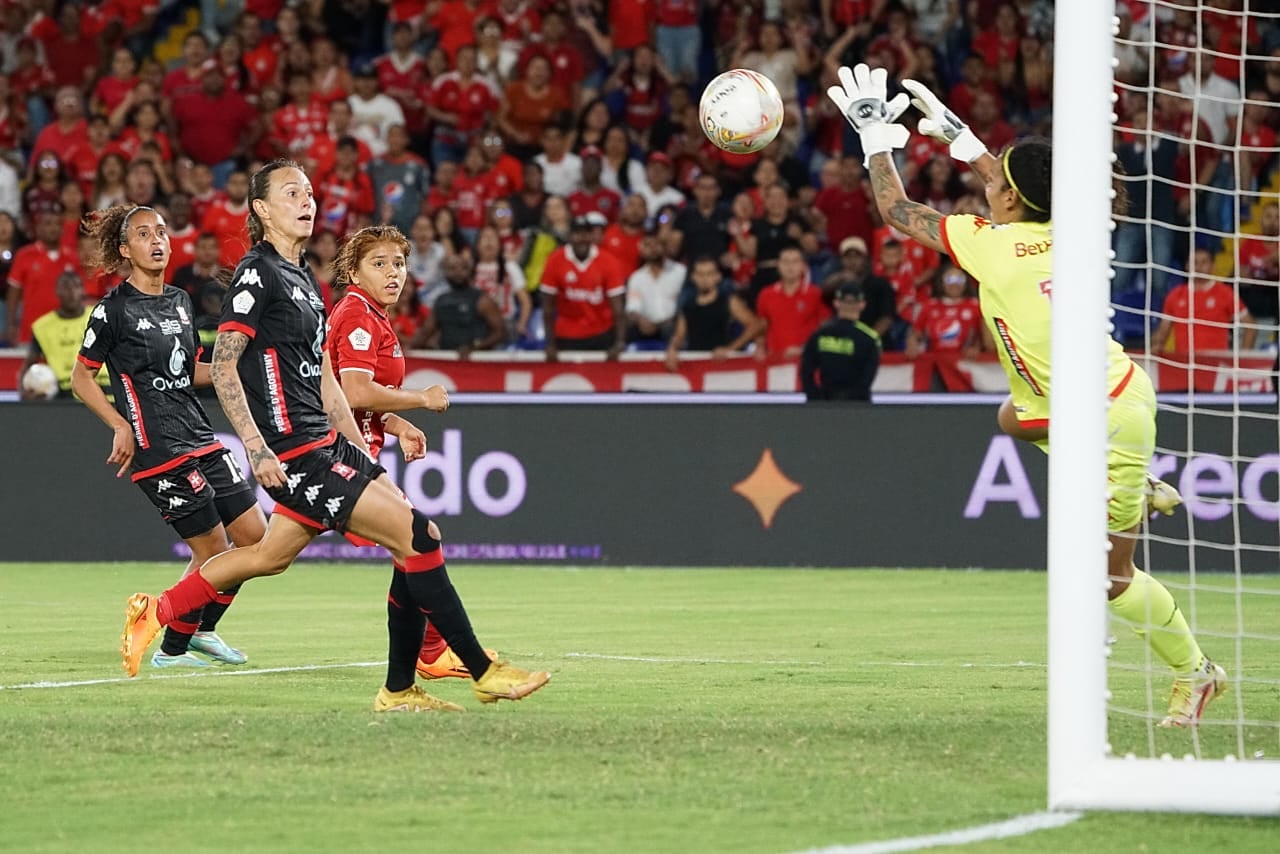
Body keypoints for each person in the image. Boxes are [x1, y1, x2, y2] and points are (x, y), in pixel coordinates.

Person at [828, 64, 1223, 727]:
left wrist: (874, 140)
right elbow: (1011, 184)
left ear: (1009, 199)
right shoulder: (1072, 227)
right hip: (1102, 391)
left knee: (1110, 580)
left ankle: (1197, 672)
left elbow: (898, 211)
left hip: (1109, 418)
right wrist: (969, 144)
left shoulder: (991, 247)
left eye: (997, 182)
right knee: (1011, 416)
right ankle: (1141, 483)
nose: (990, 188)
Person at [118, 160, 549, 711]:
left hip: (326, 444)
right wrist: (257, 449)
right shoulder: (258, 272)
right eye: (291, 192)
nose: (307, 200)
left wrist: (362, 452)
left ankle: (157, 611)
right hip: (294, 451)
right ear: (261, 209)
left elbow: (325, 381)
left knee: (269, 556)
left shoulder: (305, 282)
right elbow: (225, 367)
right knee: (418, 536)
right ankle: (480, 670)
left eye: (311, 192)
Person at [70, 204, 264, 669]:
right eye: (143, 234)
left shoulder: (180, 300)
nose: (156, 240)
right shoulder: (112, 310)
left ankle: (196, 636)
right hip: (157, 447)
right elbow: (81, 378)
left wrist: (237, 368)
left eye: (161, 231)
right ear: (124, 249)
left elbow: (188, 371)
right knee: (214, 550)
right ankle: (173, 644)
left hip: (200, 435)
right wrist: (119, 424)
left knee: (255, 540)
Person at [326, 225, 496, 679]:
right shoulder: (358, 316)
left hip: (347, 453)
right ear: (353, 272)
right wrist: (420, 398)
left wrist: (399, 424)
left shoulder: (372, 315)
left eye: (398, 263)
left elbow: (360, 400)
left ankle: (169, 614)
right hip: (337, 459)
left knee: (265, 554)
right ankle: (435, 654)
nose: (392, 273)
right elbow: (356, 392)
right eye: (378, 264)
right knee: (421, 538)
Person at [539, 215, 627, 361]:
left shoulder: (608, 261)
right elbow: (548, 308)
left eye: (586, 233)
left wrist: (619, 343)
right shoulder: (555, 260)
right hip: (567, 335)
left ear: (592, 236)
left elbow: (618, 308)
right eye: (577, 233)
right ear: (569, 236)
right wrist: (550, 344)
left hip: (601, 334)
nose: (582, 238)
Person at [20, 271, 110, 399]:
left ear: (83, 290)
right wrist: (23, 394)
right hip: (66, 400)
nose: (72, 292)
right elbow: (28, 364)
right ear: (57, 292)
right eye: (66, 287)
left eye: (76, 286)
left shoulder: (101, 317)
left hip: (107, 393)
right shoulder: (42, 327)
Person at [1151, 247, 1256, 355]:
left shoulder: (1225, 293)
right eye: (1194, 262)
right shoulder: (1175, 295)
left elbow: (1250, 326)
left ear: (1212, 266)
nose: (1199, 266)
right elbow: (1162, 331)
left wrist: (1243, 358)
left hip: (1215, 364)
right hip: (1184, 364)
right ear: (1187, 266)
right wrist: (1156, 344)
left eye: (1204, 262)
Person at [664, 256, 760, 371]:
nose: (704, 279)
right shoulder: (687, 304)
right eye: (700, 274)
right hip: (695, 364)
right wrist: (672, 349)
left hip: (721, 365)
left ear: (717, 277)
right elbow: (679, 335)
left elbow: (755, 325)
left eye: (709, 274)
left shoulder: (728, 301)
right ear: (693, 277)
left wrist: (730, 349)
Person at [799, 283, 880, 402]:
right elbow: (867, 378)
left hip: (825, 402)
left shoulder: (820, 334)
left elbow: (806, 371)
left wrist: (815, 398)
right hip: (857, 406)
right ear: (862, 305)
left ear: (836, 303)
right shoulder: (870, 338)